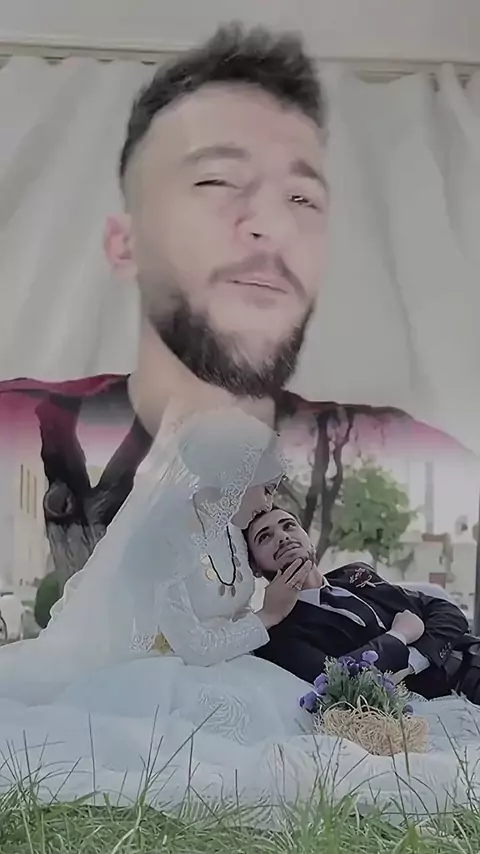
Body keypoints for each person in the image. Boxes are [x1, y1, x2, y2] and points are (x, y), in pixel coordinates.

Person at [0, 24, 475, 621]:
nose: (267, 227)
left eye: (299, 198)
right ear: (127, 244)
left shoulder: (420, 437)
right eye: (217, 183)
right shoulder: (25, 415)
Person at [0, 405, 479, 823]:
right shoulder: (164, 536)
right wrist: (267, 618)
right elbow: (193, 645)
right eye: (264, 490)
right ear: (234, 476)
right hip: (184, 666)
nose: (268, 502)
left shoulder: (230, 531)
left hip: (240, 656)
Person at [246, 506, 480, 702]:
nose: (283, 537)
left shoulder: (354, 573)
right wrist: (399, 635)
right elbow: (337, 681)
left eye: (288, 526)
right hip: (449, 693)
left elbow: (447, 612)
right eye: (265, 537)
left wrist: (415, 659)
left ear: (309, 539)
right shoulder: (278, 636)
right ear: (255, 567)